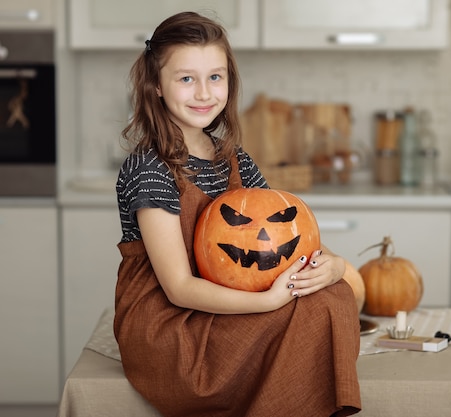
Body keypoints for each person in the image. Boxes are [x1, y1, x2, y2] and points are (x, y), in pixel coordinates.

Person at [112, 11, 362, 417]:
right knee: (314, 312)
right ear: (155, 85)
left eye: (215, 76)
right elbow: (178, 287)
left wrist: (332, 265)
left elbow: (285, 230)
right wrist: (267, 304)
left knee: (333, 295)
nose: (204, 93)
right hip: (173, 321)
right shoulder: (150, 168)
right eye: (186, 78)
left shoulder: (235, 161)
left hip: (228, 298)